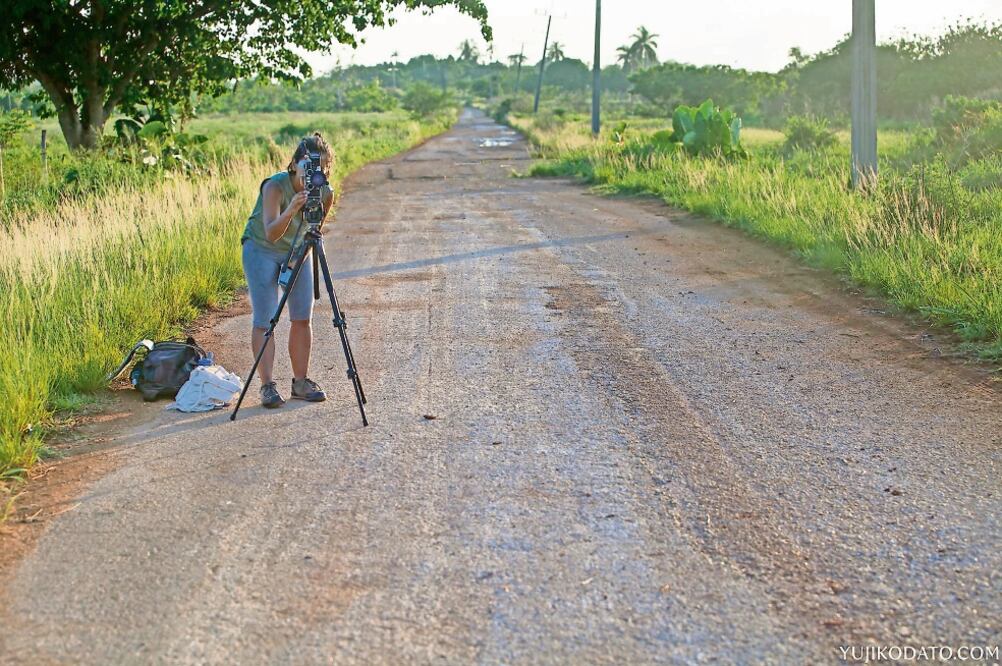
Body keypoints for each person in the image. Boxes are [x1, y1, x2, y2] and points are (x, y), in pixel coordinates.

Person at [240, 133, 335, 408]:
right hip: (261, 248)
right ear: (294, 164)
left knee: (302, 316)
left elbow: (313, 230)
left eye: (322, 167)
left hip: (297, 250)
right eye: (310, 166)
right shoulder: (275, 187)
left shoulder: (325, 193)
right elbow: (271, 233)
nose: (316, 173)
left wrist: (296, 260)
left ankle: (301, 382)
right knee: (265, 317)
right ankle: (267, 385)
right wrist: (293, 208)